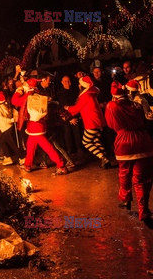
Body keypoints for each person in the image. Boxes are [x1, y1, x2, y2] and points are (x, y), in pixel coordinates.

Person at [105, 82, 153, 228]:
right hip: (143, 142)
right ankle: (143, 211)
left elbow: (111, 125)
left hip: (124, 142)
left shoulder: (112, 106)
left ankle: (125, 199)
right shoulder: (135, 104)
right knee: (142, 179)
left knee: (124, 173)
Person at [12, 78, 67, 175]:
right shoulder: (39, 94)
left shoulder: (28, 96)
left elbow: (14, 101)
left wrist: (19, 90)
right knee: (30, 145)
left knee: (47, 147)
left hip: (34, 126)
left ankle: (61, 165)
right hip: (39, 124)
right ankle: (27, 165)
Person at [66, 75, 111, 169]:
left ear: (83, 86)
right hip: (98, 122)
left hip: (92, 123)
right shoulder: (91, 94)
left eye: (79, 84)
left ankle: (103, 157)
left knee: (86, 142)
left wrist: (67, 108)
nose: (78, 85)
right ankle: (106, 160)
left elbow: (76, 109)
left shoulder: (86, 96)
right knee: (95, 140)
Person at [0, 91, 23, 165]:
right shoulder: (7, 106)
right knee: (2, 142)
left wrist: (12, 120)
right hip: (8, 128)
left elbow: (2, 119)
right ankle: (8, 157)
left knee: (12, 144)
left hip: (6, 128)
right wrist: (14, 118)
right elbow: (14, 112)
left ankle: (22, 157)